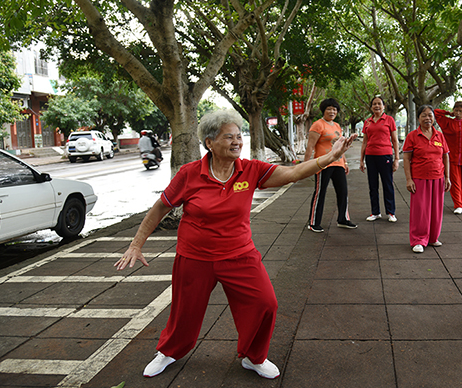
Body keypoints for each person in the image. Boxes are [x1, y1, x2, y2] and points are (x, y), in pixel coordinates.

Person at [114, 109, 357, 378]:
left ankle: (253, 357)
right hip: (195, 257)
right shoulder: (189, 174)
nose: (237, 142)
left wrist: (331, 157)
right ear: (209, 142)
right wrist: (136, 244)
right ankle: (169, 351)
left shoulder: (250, 170)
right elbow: (160, 208)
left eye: (239, 136)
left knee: (266, 303)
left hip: (239, 254)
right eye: (228, 137)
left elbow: (293, 173)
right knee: (185, 312)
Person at [402, 105, 451, 253]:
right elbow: (406, 158)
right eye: (424, 115)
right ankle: (418, 240)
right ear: (418, 118)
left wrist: (447, 177)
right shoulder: (412, 136)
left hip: (438, 178)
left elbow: (446, 156)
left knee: (436, 210)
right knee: (421, 210)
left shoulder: (439, 135)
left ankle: (432, 238)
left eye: (430, 115)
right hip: (419, 178)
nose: (427, 118)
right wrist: (409, 179)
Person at [304, 98, 357, 232]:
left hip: (338, 163)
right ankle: (313, 222)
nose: (332, 111)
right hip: (322, 163)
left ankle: (343, 219)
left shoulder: (337, 126)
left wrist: (345, 162)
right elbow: (310, 146)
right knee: (320, 192)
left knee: (343, 191)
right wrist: (305, 166)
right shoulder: (318, 125)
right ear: (323, 110)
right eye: (329, 109)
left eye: (334, 109)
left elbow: (340, 147)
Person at [359, 96, 400, 223]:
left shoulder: (389, 120)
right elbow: (365, 142)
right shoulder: (368, 122)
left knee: (387, 184)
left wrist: (397, 159)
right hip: (370, 156)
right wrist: (361, 160)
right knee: (373, 185)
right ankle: (375, 212)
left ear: (384, 106)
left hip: (385, 156)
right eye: (374, 104)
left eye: (379, 104)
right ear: (371, 107)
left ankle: (391, 212)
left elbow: (395, 140)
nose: (377, 106)